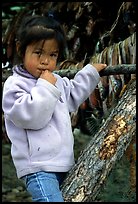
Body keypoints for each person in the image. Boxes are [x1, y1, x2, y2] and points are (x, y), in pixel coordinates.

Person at [2, 15, 107, 202]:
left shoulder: (55, 80)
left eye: (52, 55)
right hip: (38, 168)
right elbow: (32, 117)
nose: (45, 61)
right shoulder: (15, 84)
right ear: (21, 49)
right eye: (38, 53)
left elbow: (73, 94)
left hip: (63, 163)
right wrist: (45, 86)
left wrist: (90, 73)